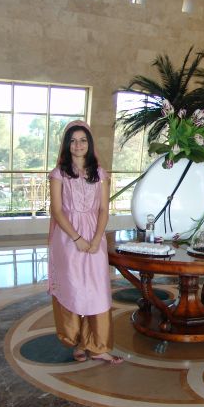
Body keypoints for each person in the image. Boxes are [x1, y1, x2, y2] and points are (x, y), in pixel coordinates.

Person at [48, 120, 124, 365]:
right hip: (67, 237)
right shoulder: (58, 174)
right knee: (73, 288)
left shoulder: (100, 174)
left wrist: (97, 238)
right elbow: (57, 211)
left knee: (97, 289)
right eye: (73, 141)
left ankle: (98, 346)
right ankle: (77, 342)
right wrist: (77, 239)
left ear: (89, 144)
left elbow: (103, 209)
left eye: (82, 140)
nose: (78, 145)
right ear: (66, 145)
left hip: (94, 235)